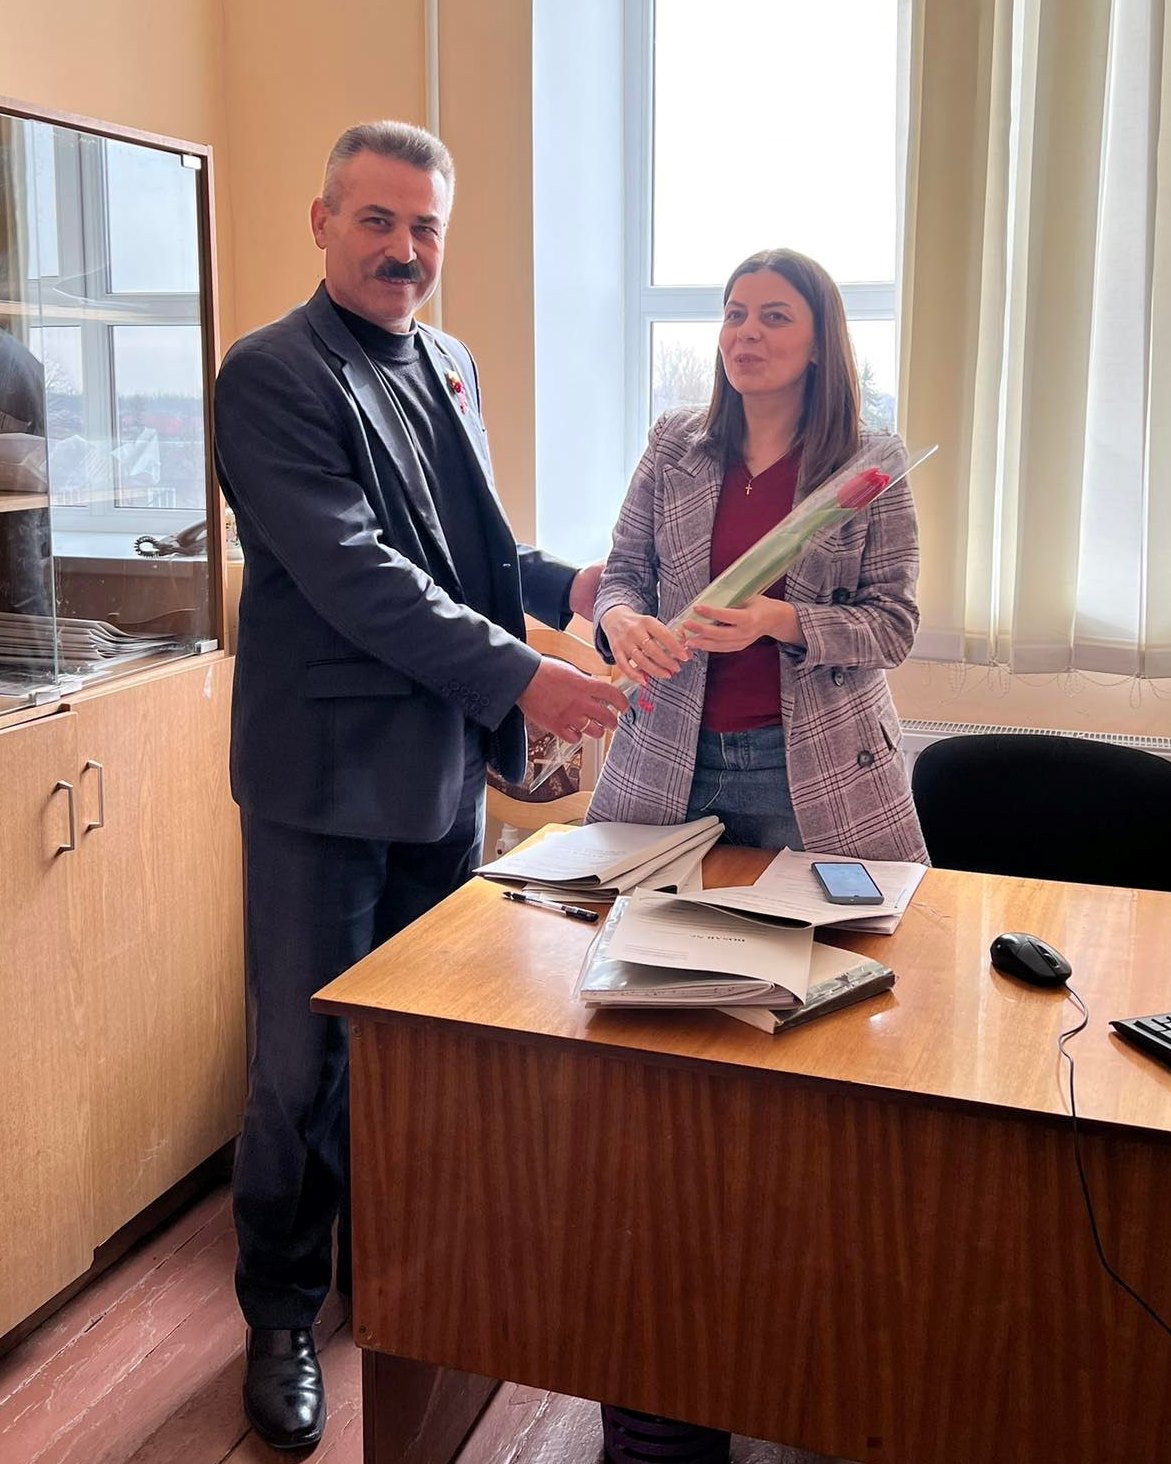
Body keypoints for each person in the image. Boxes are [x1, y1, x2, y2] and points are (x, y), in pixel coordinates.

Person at [213, 120, 625, 1451]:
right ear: (321, 221)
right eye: (378, 220)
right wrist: (523, 676)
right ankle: (280, 1315)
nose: (404, 250)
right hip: (322, 788)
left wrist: (566, 586)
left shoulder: (448, 362)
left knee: (416, 1054)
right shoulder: (271, 372)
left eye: (425, 227)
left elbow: (462, 551)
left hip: (440, 779)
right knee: (300, 1066)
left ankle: (387, 1289)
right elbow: (357, 575)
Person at [587, 247, 924, 1463]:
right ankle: (666, 1365)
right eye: (734, 314)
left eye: (774, 316)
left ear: (819, 339)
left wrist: (781, 619)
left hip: (812, 785)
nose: (746, 333)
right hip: (667, 773)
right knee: (655, 1055)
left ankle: (808, 1340)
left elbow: (893, 624)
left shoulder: (868, 466)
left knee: (815, 1054)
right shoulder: (673, 446)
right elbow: (619, 579)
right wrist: (621, 621)